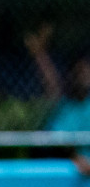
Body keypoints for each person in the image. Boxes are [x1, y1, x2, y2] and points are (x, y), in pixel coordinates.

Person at [28, 29, 90, 177]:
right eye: (79, 71)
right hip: (66, 167)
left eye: (87, 71)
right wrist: (76, 158)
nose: (84, 76)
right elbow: (60, 141)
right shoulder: (65, 105)